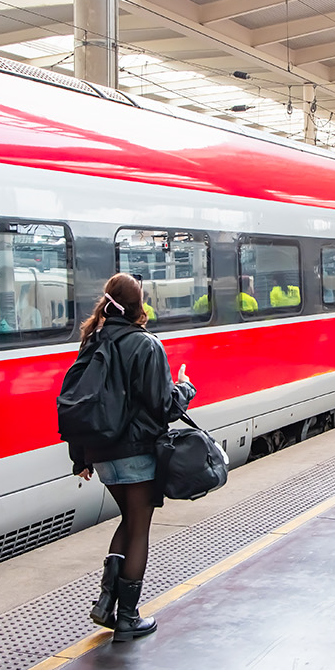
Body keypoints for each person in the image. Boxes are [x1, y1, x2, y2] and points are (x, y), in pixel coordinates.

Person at [65, 273, 195, 642]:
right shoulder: (146, 344)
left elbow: (81, 404)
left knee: (127, 521)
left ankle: (107, 605)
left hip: (103, 455)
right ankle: (127, 617)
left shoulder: (92, 342)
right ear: (140, 306)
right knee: (139, 529)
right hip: (137, 452)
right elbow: (163, 406)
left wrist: (82, 459)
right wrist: (184, 388)